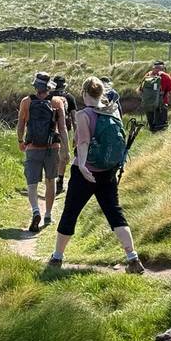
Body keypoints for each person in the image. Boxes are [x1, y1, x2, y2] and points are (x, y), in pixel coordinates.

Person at [48, 77, 145, 274]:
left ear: (84, 94)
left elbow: (82, 143)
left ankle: (56, 258)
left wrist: (83, 166)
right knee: (114, 213)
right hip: (108, 172)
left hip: (85, 172)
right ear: (101, 93)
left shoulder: (84, 115)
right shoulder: (113, 111)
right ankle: (132, 258)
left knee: (70, 212)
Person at [17, 72, 70, 232]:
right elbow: (63, 128)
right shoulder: (57, 102)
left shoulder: (26, 102)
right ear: (49, 88)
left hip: (32, 147)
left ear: (35, 87)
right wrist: (66, 150)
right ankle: (48, 214)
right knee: (50, 181)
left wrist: (21, 141)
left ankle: (35, 211)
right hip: (52, 148)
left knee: (32, 183)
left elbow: (20, 125)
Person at [49, 75, 77, 194]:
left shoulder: (48, 97)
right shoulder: (69, 97)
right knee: (63, 155)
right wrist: (76, 134)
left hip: (49, 130)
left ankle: (50, 179)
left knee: (51, 154)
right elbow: (74, 118)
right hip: (65, 129)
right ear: (64, 85)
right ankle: (60, 180)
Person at [139, 61, 171, 132]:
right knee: (161, 129)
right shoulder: (166, 76)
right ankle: (159, 143)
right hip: (161, 106)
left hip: (149, 106)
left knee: (152, 129)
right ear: (163, 68)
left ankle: (152, 141)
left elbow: (140, 91)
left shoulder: (148, 75)